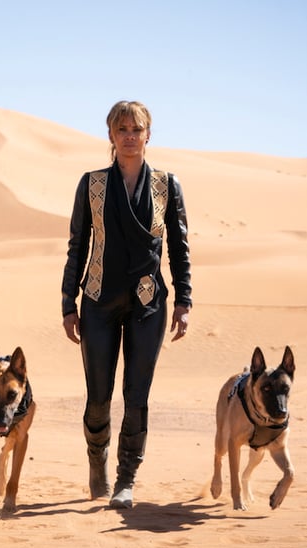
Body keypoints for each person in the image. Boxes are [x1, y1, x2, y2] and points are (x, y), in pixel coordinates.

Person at [60, 100, 192, 509]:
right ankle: (96, 459)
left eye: (137, 129)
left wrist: (185, 299)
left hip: (148, 305)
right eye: (122, 130)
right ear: (111, 137)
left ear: (148, 135)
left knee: (136, 396)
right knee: (98, 395)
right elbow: (77, 245)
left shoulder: (167, 185)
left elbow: (180, 247)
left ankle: (126, 479)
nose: (130, 136)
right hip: (98, 300)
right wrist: (69, 301)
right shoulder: (92, 184)